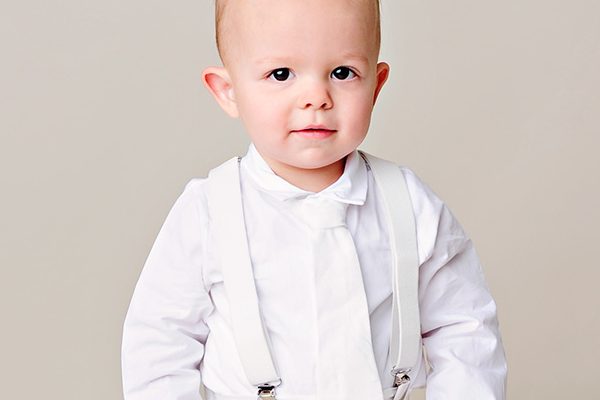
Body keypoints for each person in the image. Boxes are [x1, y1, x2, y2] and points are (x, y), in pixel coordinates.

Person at [121, 0, 508, 399]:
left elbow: (465, 328)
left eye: (342, 73)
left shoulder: (409, 203)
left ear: (375, 86)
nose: (316, 97)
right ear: (229, 91)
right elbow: (160, 343)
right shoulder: (207, 211)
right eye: (281, 74)